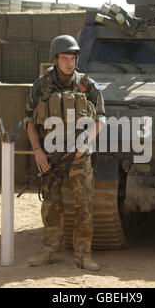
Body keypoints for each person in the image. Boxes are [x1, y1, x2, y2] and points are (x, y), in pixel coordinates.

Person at [24, 35, 106, 271]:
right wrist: (38, 152)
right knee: (51, 205)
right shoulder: (42, 85)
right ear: (55, 59)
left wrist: (83, 144)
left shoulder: (87, 84)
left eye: (72, 58)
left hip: (79, 156)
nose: (69, 63)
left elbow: (101, 119)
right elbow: (29, 119)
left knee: (84, 206)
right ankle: (51, 251)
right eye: (64, 58)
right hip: (50, 155)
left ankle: (83, 255)